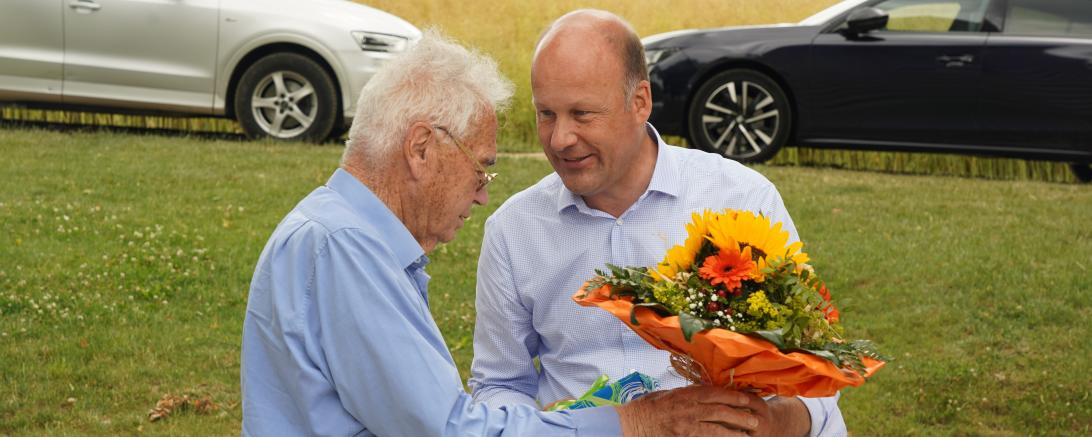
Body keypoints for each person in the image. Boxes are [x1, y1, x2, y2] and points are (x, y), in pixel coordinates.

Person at [241, 30, 768, 437]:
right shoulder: (344, 249)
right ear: (422, 148)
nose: (482, 193)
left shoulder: (336, 234)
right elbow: (449, 429)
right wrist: (635, 423)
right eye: (481, 168)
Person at [470, 10, 846, 437]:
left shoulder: (740, 200)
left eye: (582, 114)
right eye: (546, 114)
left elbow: (815, 367)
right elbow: (499, 384)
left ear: (640, 102)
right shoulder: (514, 231)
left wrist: (772, 425)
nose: (560, 139)